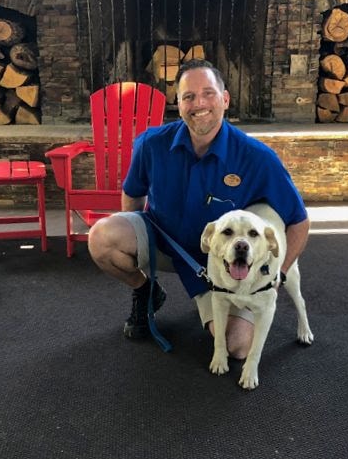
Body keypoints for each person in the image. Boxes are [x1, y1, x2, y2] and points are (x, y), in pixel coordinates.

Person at [88, 59, 309, 359]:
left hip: (223, 262)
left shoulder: (257, 158)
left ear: (225, 99)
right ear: (177, 104)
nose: (199, 104)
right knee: (101, 238)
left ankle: (212, 301)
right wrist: (139, 249)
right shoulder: (151, 144)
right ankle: (146, 292)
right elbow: (133, 196)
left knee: (237, 348)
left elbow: (299, 222)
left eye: (208, 93)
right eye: (188, 96)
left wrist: (278, 275)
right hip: (165, 245)